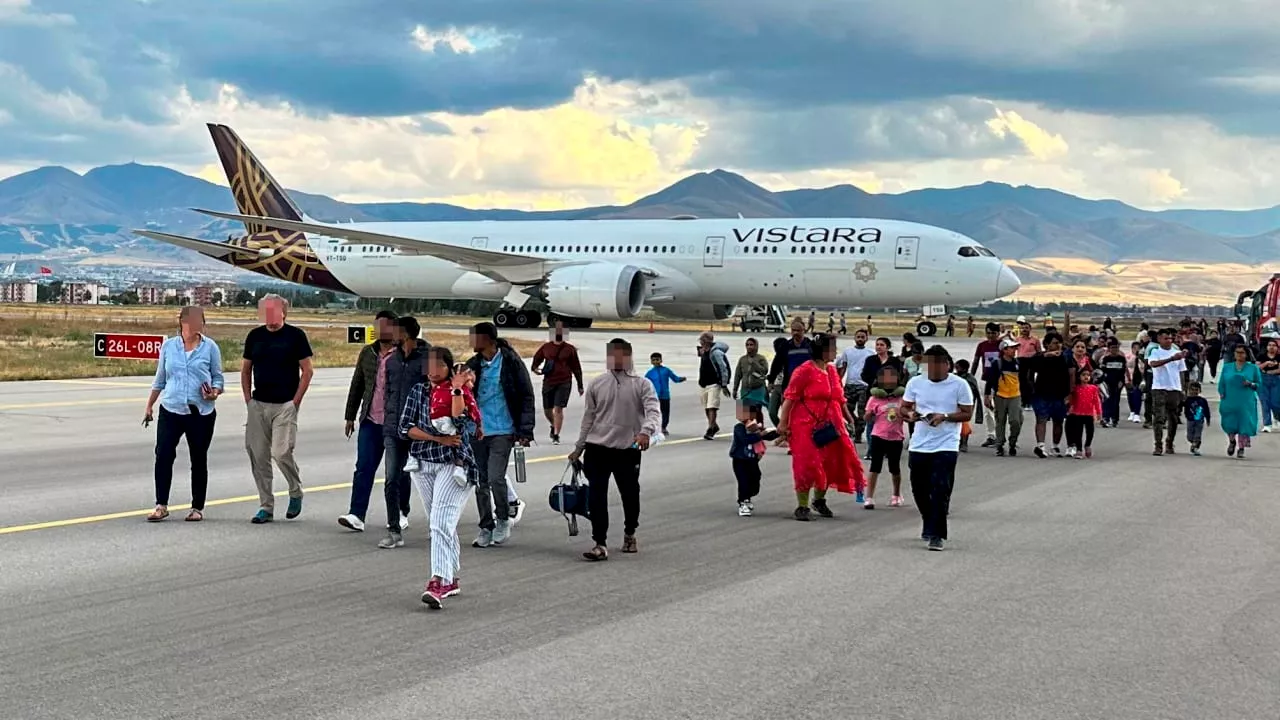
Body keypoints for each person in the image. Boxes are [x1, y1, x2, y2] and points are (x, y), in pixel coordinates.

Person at [400, 347, 480, 609]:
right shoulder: (418, 391)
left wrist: (458, 389)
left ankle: (440, 580)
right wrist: (436, 438)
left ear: (448, 368)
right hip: (423, 462)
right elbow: (405, 427)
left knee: (439, 522)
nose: (433, 370)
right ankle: (451, 576)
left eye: (439, 365)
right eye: (429, 365)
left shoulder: (458, 391)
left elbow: (461, 421)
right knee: (440, 523)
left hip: (454, 463)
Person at [570, 339, 662, 561]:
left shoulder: (642, 384)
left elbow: (653, 412)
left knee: (630, 494)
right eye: (613, 355)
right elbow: (589, 417)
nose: (616, 360)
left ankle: (630, 531)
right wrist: (579, 447)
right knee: (596, 495)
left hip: (626, 449)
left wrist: (645, 432)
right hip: (597, 448)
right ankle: (599, 543)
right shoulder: (597, 383)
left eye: (621, 355)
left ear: (629, 357)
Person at [145, 306, 223, 523]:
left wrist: (214, 393)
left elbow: (218, 378)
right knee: (163, 454)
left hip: (201, 412)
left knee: (198, 458)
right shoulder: (169, 346)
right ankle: (161, 505)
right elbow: (160, 378)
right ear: (182, 322)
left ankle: (197, 507)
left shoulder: (210, 348)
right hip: (171, 408)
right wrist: (150, 405)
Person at [776, 333, 865, 521]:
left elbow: (840, 399)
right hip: (804, 425)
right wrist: (783, 424)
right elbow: (789, 399)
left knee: (830, 462)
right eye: (832, 348)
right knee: (807, 464)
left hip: (830, 424)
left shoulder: (832, 371)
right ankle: (802, 505)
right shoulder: (804, 371)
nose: (835, 352)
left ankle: (819, 499)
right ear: (822, 350)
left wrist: (849, 419)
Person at [242, 294, 313, 524]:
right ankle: (266, 506)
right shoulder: (255, 336)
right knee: (258, 455)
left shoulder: (295, 336)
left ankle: (295, 490)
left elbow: (308, 370)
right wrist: (248, 400)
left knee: (281, 452)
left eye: (274, 310)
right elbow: (245, 370)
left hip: (285, 404)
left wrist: (296, 402)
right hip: (258, 403)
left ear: (284, 312)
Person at [465, 322, 535, 548]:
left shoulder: (511, 362)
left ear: (489, 339)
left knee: (496, 477)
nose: (471, 341)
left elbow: (526, 395)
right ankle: (486, 526)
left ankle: (503, 518)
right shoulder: (473, 365)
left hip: (503, 429)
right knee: (480, 481)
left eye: (475, 337)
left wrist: (525, 430)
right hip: (477, 430)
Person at [901, 345, 974, 551]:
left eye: (935, 366)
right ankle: (928, 519)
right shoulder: (915, 382)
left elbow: (967, 413)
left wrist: (946, 416)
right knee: (919, 488)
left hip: (947, 443)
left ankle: (937, 534)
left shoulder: (959, 385)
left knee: (940, 488)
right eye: (927, 366)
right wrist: (910, 415)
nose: (930, 371)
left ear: (946, 365)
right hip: (920, 443)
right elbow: (904, 408)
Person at [339, 309, 401, 534]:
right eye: (376, 326)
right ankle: (357, 514)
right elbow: (357, 384)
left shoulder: (404, 353)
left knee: (396, 472)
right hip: (370, 420)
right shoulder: (368, 352)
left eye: (383, 326)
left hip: (395, 424)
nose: (377, 331)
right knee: (363, 468)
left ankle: (401, 512)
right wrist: (350, 415)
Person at [375, 316, 429, 548]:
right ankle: (394, 529)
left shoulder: (427, 358)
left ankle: (438, 524)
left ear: (406, 334)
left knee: (430, 479)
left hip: (420, 430)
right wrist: (389, 417)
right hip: (394, 429)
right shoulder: (392, 361)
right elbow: (388, 391)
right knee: (391, 479)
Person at [530, 321, 584, 445]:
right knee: (547, 409)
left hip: (564, 381)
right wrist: (535, 368)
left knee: (558, 408)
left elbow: (576, 367)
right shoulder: (546, 347)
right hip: (549, 381)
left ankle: (556, 435)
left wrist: (580, 385)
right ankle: (554, 425)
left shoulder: (570, 349)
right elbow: (536, 359)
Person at [863, 365, 906, 509]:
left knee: (895, 468)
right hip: (878, 435)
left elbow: (908, 414)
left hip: (896, 437)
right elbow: (867, 417)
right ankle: (869, 497)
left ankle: (896, 495)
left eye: (891, 378)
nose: (888, 381)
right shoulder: (875, 398)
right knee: (875, 467)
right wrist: (869, 415)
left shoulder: (902, 398)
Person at [1025, 332, 1073, 458]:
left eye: (1059, 343)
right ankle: (1041, 445)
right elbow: (1031, 366)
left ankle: (1055, 446)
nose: (1058, 346)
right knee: (1041, 419)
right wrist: (1047, 355)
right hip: (1042, 393)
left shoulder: (1065, 357)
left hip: (1059, 394)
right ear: (1046, 344)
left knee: (1058, 421)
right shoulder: (1040, 357)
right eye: (1055, 343)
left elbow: (1071, 374)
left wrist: (1069, 393)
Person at [729, 402, 777, 516]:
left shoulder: (756, 428)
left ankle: (748, 496)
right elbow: (745, 439)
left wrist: (778, 433)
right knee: (743, 481)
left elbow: (768, 436)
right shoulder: (739, 428)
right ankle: (743, 502)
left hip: (752, 460)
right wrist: (760, 435)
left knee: (755, 479)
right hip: (740, 460)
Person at [1146, 328, 1188, 456]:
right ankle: (1158, 444)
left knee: (1173, 418)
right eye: (1166, 338)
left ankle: (1169, 442)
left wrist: (1183, 389)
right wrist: (1171, 359)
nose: (1169, 341)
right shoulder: (1155, 352)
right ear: (1159, 339)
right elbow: (1153, 364)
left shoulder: (1178, 353)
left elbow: (1181, 372)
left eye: (1171, 338)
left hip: (1174, 389)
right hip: (1159, 388)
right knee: (1159, 417)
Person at [768, 319, 813, 428]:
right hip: (789, 385)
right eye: (793, 330)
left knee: (806, 412)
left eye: (798, 330)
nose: (795, 333)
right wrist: (771, 380)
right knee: (788, 412)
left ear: (804, 330)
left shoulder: (811, 346)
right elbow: (776, 364)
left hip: (808, 385)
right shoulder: (786, 346)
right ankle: (787, 434)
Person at [1219, 344, 1261, 458]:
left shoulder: (1253, 368)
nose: (1239, 355)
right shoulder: (1227, 367)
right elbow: (1222, 382)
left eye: (1242, 352)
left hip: (1246, 401)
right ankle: (1232, 441)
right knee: (1229, 422)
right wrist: (1222, 393)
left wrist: (1250, 384)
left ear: (1246, 354)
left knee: (1244, 423)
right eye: (1237, 352)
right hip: (1229, 399)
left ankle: (1241, 448)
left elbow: (1259, 384)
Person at [983, 338, 1022, 456]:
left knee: (1016, 421)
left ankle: (1013, 442)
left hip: (1015, 396)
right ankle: (1000, 444)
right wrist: (987, 395)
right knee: (1000, 421)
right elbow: (989, 381)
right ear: (1004, 350)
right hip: (1000, 395)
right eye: (1012, 348)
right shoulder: (997, 364)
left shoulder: (1018, 363)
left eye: (1015, 348)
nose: (1015, 350)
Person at [835, 328, 874, 444]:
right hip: (850, 385)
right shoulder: (848, 351)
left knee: (862, 412)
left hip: (863, 386)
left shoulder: (870, 353)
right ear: (854, 338)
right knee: (845, 409)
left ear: (866, 339)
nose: (860, 339)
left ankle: (858, 433)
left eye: (863, 337)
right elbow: (843, 367)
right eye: (858, 337)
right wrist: (839, 382)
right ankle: (855, 422)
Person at [972, 322, 1004, 448]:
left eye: (993, 333)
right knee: (988, 409)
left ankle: (1000, 435)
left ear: (998, 333)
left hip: (1001, 380)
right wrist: (971, 376)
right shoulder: (982, 345)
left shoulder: (1002, 345)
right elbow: (975, 361)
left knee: (999, 408)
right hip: (986, 379)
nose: (991, 336)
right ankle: (991, 435)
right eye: (988, 333)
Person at [696, 332, 732, 440]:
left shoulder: (716, 353)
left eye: (702, 340)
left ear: (707, 341)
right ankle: (714, 425)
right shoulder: (703, 351)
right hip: (704, 382)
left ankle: (710, 429)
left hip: (714, 383)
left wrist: (724, 384)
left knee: (712, 407)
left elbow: (723, 368)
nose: (701, 342)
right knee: (707, 407)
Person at [644, 352, 685, 434]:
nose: (656, 362)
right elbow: (645, 384)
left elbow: (675, 378)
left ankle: (663, 427)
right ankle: (656, 427)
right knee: (656, 412)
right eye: (654, 360)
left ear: (661, 360)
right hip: (655, 396)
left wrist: (681, 379)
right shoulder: (649, 373)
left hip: (665, 396)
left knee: (665, 412)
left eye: (657, 360)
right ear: (651, 361)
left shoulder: (666, 370)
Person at [1065, 367, 1101, 458]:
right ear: (1079, 377)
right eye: (1083, 375)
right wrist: (1070, 408)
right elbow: (1072, 400)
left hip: (1089, 414)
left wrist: (1098, 412)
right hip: (1077, 413)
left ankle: (1087, 445)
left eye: (1088, 375)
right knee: (1078, 432)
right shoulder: (1076, 388)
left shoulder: (1093, 388)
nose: (1086, 377)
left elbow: (1096, 401)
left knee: (1090, 431)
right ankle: (1079, 449)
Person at [732, 337, 770, 426]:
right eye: (747, 345)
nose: (749, 347)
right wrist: (735, 389)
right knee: (744, 415)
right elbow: (738, 375)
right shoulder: (742, 359)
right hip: (745, 389)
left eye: (751, 345)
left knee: (756, 409)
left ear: (756, 346)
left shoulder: (761, 358)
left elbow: (764, 371)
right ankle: (748, 430)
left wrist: (754, 363)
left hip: (758, 389)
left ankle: (760, 427)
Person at [952, 359, 982, 452]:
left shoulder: (969, 379)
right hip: (955, 403)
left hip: (966, 404)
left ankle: (964, 443)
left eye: (958, 367)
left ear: (964, 368)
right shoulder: (955, 377)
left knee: (964, 423)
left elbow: (973, 392)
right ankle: (958, 442)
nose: (956, 369)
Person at [1097, 339, 1128, 428]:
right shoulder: (1106, 359)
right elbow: (1102, 371)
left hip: (1117, 383)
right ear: (1109, 349)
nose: (1114, 350)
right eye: (1112, 348)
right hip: (1107, 382)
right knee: (1107, 400)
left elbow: (1123, 372)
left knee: (1115, 401)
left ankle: (1115, 418)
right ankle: (1106, 417)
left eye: (1116, 348)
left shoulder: (1121, 358)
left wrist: (1122, 381)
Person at [1256, 339, 1280, 432]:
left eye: (1274, 345)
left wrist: (1269, 371)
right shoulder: (1261, 356)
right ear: (1267, 347)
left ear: (1277, 348)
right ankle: (1267, 424)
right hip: (1262, 380)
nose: (1271, 347)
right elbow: (1257, 368)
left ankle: (1277, 418)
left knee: (1275, 402)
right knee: (1265, 402)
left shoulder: (1279, 357)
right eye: (1269, 345)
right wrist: (1266, 363)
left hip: (1276, 380)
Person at [1183, 382, 1211, 456]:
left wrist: (1208, 418)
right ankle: (1194, 443)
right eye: (1192, 390)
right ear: (1189, 390)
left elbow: (1206, 410)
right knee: (1189, 436)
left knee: (1197, 434)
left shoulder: (1202, 400)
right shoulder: (1187, 400)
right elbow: (1183, 407)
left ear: (1199, 391)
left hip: (1199, 420)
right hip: (1190, 419)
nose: (1194, 392)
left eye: (1196, 390)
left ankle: (1195, 446)